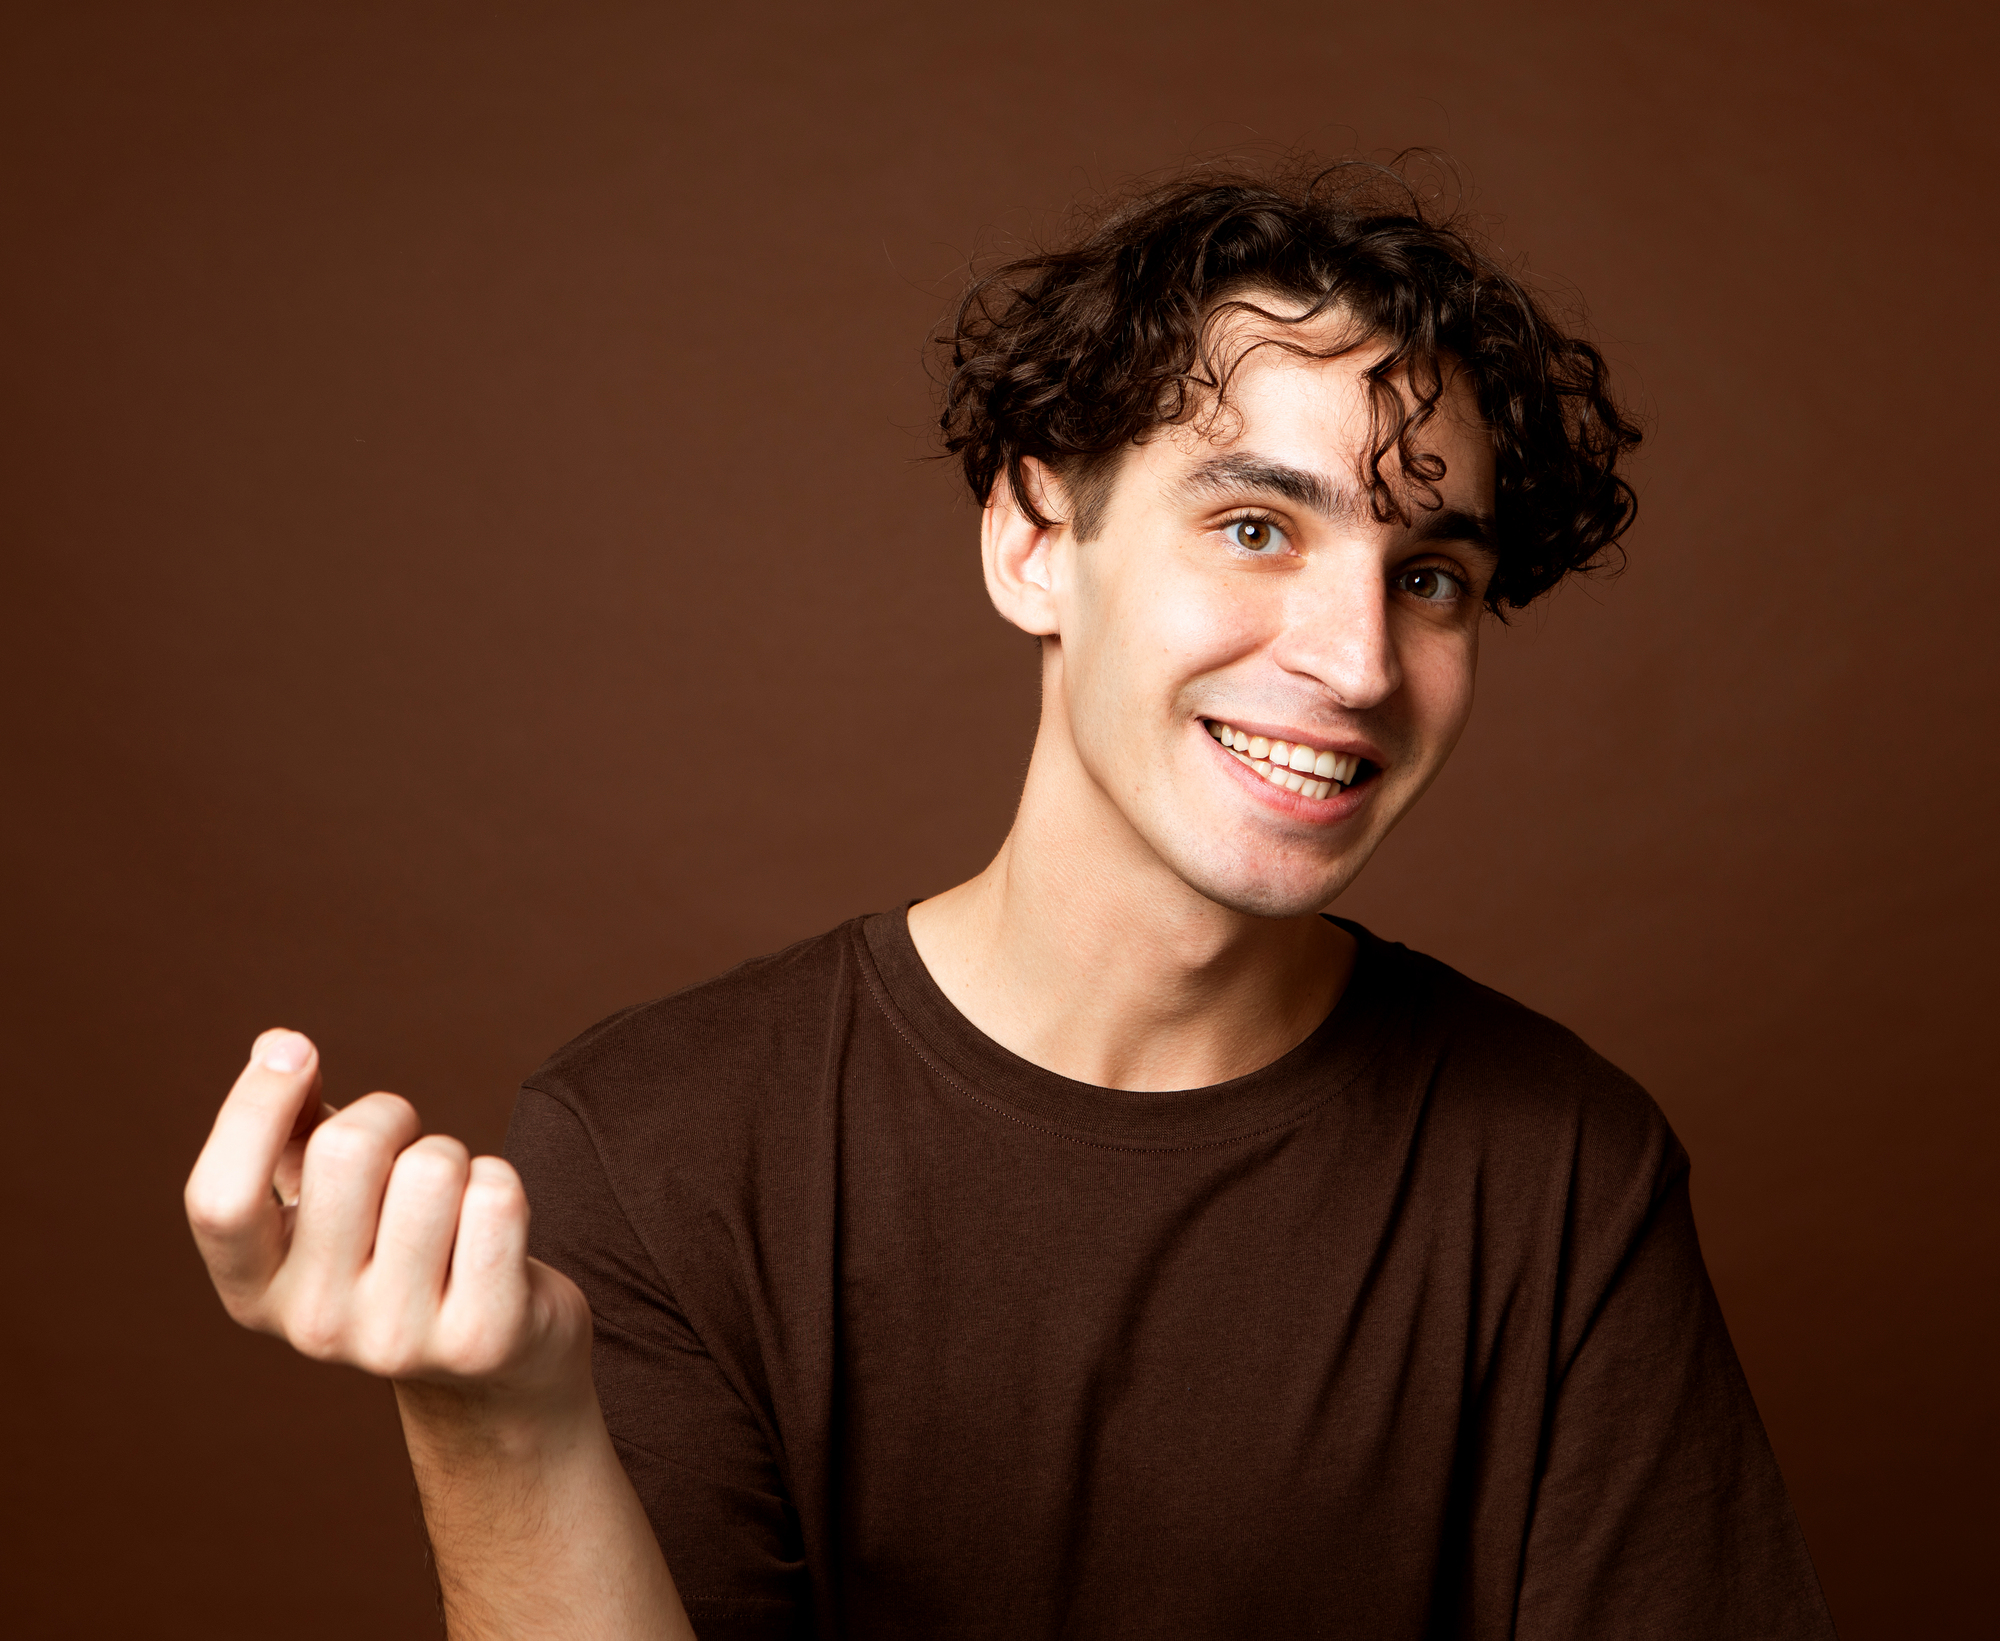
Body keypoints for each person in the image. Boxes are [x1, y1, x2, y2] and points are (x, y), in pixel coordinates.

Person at [185, 161, 1837, 1639]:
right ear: (1036, 541)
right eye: (1257, 525)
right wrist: (504, 1427)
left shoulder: (1565, 1172)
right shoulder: (658, 1145)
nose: (1355, 661)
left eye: (1431, 579)